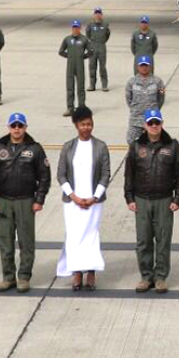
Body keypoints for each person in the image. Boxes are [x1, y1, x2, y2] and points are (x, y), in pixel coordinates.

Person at [0, 112, 51, 293]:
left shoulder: (35, 149)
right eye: (13, 126)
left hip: (26, 201)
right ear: (8, 127)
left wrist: (39, 200)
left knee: (26, 242)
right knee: (5, 241)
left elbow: (45, 176)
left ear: (25, 128)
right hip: (5, 201)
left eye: (20, 126)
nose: (16, 129)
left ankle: (23, 277)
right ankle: (8, 277)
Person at [123, 109, 179, 294]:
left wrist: (178, 198)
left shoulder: (172, 146)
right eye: (150, 123)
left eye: (156, 123)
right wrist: (129, 197)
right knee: (143, 240)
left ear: (162, 123)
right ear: (144, 125)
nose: (154, 126)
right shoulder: (136, 146)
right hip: (142, 200)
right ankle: (146, 276)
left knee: (163, 240)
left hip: (164, 200)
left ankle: (160, 277)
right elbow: (129, 174)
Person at [56, 106, 111, 291]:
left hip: (93, 201)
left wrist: (94, 197)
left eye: (89, 124)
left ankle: (91, 272)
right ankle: (77, 272)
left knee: (90, 234)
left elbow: (105, 174)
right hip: (73, 202)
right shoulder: (68, 147)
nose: (86, 128)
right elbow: (61, 174)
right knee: (74, 235)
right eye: (82, 124)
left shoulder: (101, 146)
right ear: (76, 125)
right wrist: (73, 196)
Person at [124, 55, 166, 144]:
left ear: (150, 66)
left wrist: (154, 109)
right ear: (138, 66)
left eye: (146, 65)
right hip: (136, 119)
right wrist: (136, 109)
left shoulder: (157, 82)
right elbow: (129, 99)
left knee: (154, 143)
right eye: (142, 65)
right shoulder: (131, 82)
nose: (144, 68)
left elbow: (161, 99)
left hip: (152, 120)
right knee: (132, 142)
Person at [59, 20, 90, 116]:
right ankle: (70, 107)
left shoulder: (84, 39)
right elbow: (61, 51)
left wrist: (82, 56)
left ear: (80, 28)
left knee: (80, 87)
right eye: (73, 27)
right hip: (70, 66)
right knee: (70, 87)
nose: (75, 29)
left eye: (77, 27)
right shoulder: (67, 39)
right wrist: (69, 56)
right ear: (71, 28)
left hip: (80, 66)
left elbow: (91, 51)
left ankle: (81, 107)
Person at [86, 7, 111, 91]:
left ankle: (104, 85)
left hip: (101, 48)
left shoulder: (105, 25)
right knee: (92, 67)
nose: (97, 15)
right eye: (96, 13)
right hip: (93, 48)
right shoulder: (90, 25)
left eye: (99, 13)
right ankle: (92, 85)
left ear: (102, 15)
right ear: (93, 15)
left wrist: (102, 42)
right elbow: (88, 35)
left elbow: (107, 35)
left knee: (102, 67)